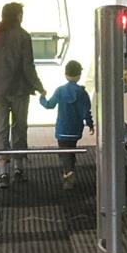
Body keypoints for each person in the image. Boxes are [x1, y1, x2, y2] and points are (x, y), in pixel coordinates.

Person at [0, 2, 43, 189]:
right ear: (18, 15)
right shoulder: (23, 36)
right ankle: (19, 169)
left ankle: (2, 173)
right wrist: (39, 86)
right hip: (19, 89)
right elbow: (28, 66)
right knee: (19, 128)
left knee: (0, 130)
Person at [40, 59, 93, 190]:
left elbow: (49, 105)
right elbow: (86, 111)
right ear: (79, 75)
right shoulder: (82, 93)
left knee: (64, 153)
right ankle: (70, 173)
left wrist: (42, 97)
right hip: (76, 130)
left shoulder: (60, 91)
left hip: (62, 129)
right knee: (71, 151)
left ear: (65, 74)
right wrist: (90, 124)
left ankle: (68, 175)